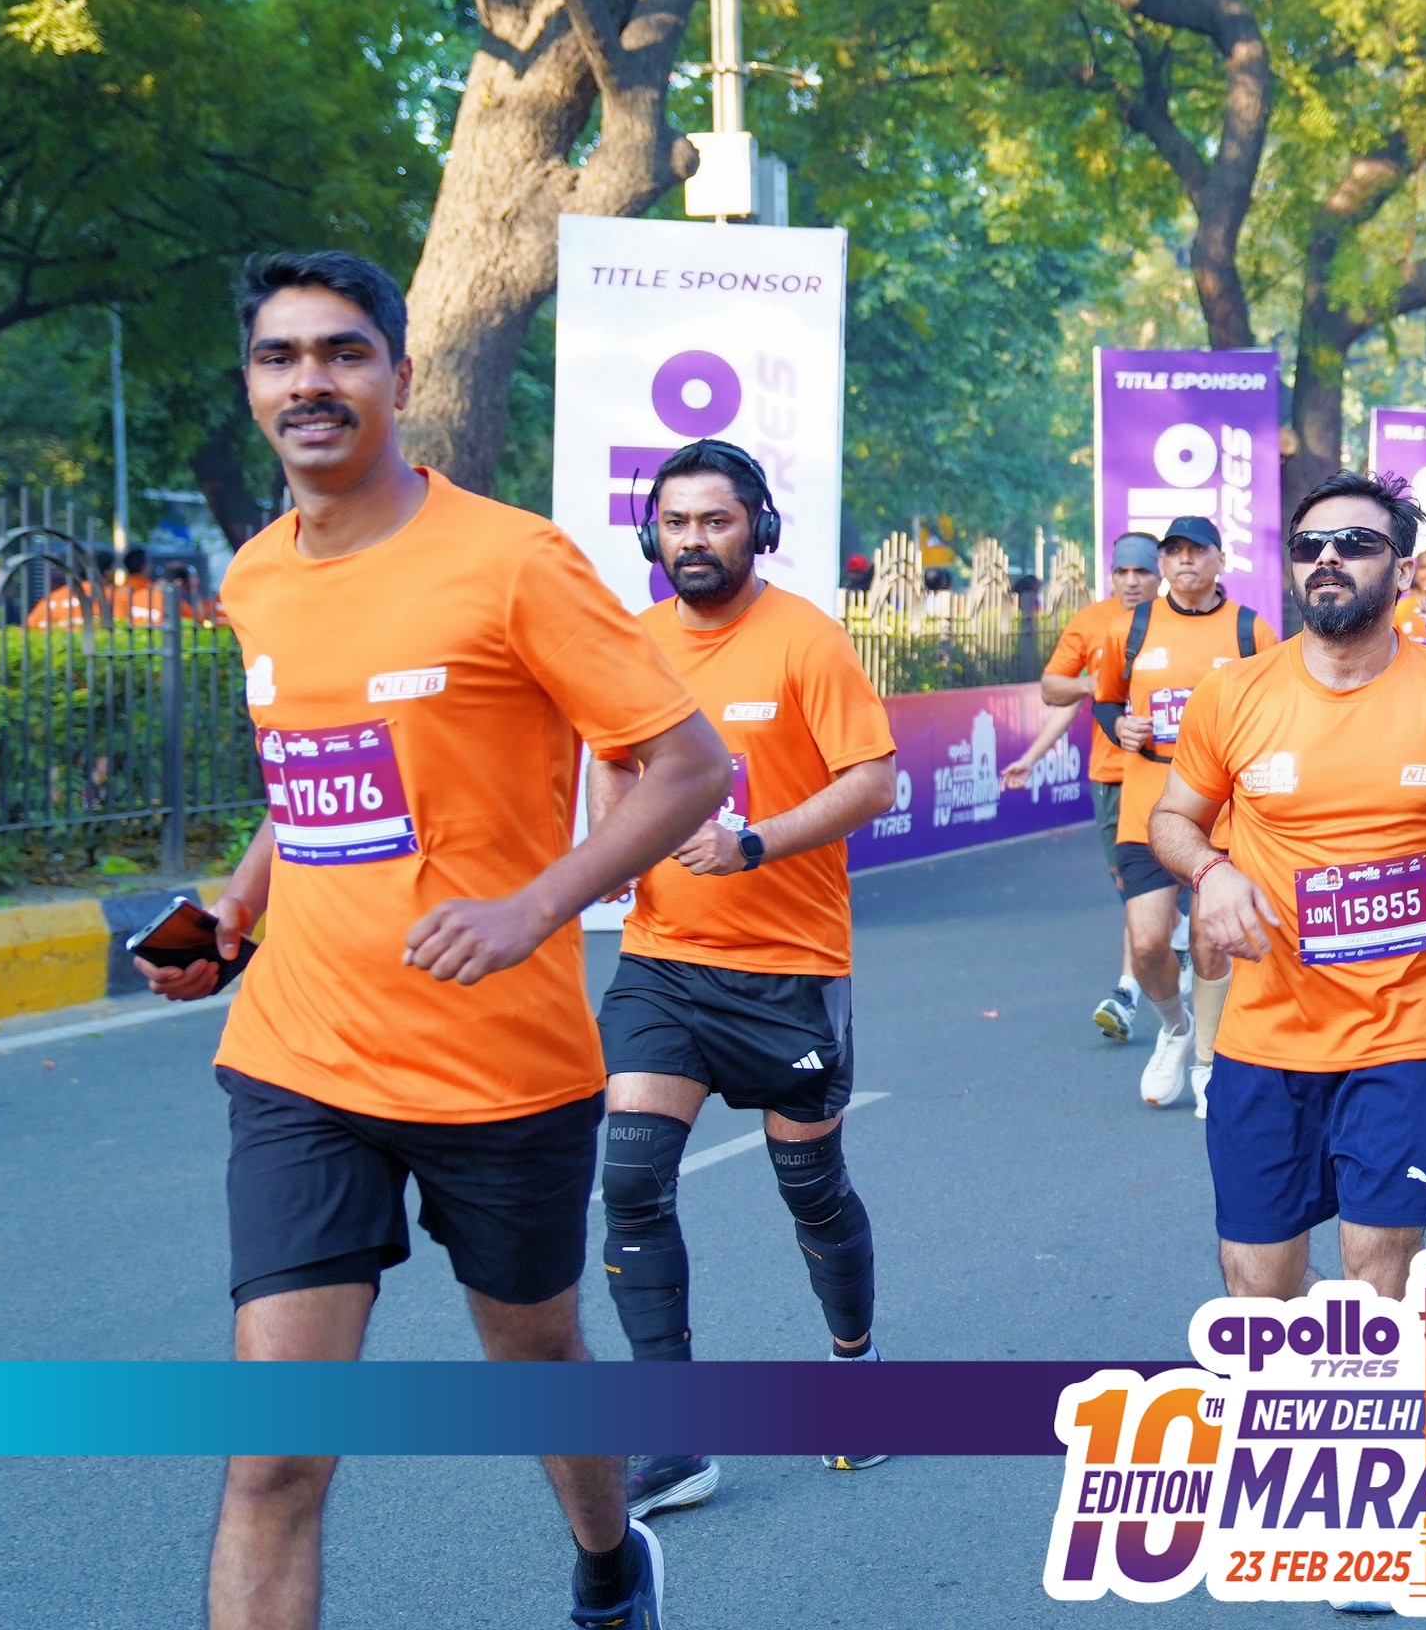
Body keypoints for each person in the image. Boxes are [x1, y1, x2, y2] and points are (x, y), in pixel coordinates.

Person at [138, 250, 729, 1630]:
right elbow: (312, 776)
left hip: (498, 1069)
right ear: (252, 389)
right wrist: (236, 906)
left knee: (534, 1356)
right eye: (280, 357)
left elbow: (691, 767)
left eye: (342, 352)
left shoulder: (512, 560)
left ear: (400, 378)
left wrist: (536, 906)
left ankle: (609, 1560)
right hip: (302, 1058)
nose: (310, 381)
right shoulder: (256, 576)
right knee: (274, 1454)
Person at [1150, 472, 1426, 1301]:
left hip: (1406, 1028)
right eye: (1309, 545)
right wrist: (1211, 870)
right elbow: (1173, 818)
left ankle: (1373, 1385)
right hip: (1266, 1032)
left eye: (1355, 543)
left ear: (1404, 567)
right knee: (1258, 1286)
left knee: (1378, 1271)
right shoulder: (1233, 694)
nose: (1328, 558)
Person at [589, 440, 903, 1515]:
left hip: (789, 970)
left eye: (715, 520)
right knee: (631, 1180)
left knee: (810, 1187)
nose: (694, 540)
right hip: (663, 961)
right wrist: (614, 845)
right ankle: (674, 1436)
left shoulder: (805, 638)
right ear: (652, 535)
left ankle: (854, 1368)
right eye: (675, 522)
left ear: (758, 528)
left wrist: (754, 843)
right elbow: (613, 755)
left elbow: (874, 779)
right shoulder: (634, 643)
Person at [1093, 513, 1277, 1114]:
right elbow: (1106, 701)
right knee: (1149, 943)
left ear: (1221, 560)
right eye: (1174, 552)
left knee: (1208, 939)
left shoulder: (1251, 630)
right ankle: (1175, 1026)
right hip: (1149, 804)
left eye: (1198, 550)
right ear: (1163, 564)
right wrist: (1120, 726)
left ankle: (1207, 1060)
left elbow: (1281, 707)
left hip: (1223, 810)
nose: (1185, 561)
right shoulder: (1131, 628)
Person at [1004, 534, 1159, 1039]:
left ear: (1159, 575)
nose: (1131, 582)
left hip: (1177, 774)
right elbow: (1056, 691)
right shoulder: (1093, 623)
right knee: (1131, 886)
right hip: (1113, 775)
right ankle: (1154, 972)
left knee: (1164, 887)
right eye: (1122, 573)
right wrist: (1098, 684)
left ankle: (1128, 993)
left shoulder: (1180, 623)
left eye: (1142, 572)